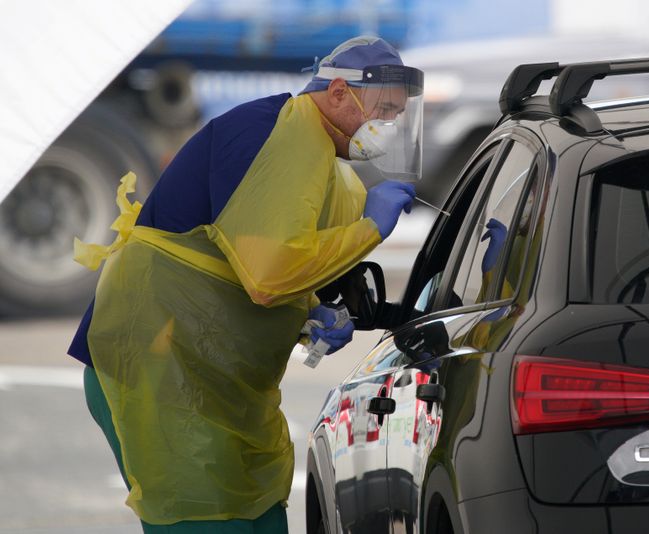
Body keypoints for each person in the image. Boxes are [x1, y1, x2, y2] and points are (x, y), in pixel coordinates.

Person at [67, 36, 423, 533]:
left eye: (397, 115)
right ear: (340, 92)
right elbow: (269, 275)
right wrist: (370, 229)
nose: (389, 126)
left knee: (256, 516)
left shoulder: (324, 159)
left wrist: (307, 315)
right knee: (205, 519)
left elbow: (242, 264)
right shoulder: (282, 134)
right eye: (383, 109)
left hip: (213, 380)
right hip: (156, 370)